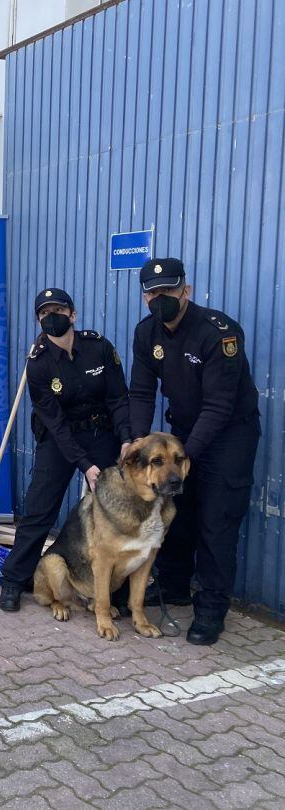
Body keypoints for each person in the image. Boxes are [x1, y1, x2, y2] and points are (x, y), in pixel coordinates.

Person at [128, 258, 260, 646]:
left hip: (229, 436)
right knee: (177, 514)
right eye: (153, 292)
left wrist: (183, 458)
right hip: (183, 435)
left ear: (186, 290)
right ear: (145, 297)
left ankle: (211, 609)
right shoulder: (146, 332)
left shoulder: (218, 333)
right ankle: (174, 586)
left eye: (168, 290)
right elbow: (141, 392)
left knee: (217, 521)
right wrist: (138, 442)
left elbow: (219, 405)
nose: (160, 298)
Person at [0, 288, 132, 613]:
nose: (52, 317)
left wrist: (127, 440)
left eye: (58, 311)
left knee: (116, 508)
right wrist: (85, 465)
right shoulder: (38, 364)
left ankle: (119, 590)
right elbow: (55, 423)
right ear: (38, 321)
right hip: (59, 439)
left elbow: (118, 398)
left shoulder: (99, 347)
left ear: (72, 315)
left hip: (101, 433)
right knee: (39, 509)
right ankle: (14, 580)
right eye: (45, 313)